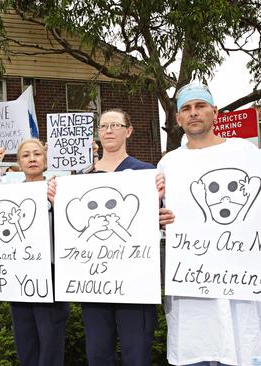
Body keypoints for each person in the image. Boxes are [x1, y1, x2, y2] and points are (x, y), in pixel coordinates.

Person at [158, 82, 261, 366]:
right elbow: (158, 217)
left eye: (200, 106)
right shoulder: (170, 164)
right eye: (186, 109)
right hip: (193, 287)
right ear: (178, 119)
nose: (194, 113)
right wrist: (159, 218)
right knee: (196, 351)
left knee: (241, 349)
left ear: (215, 112)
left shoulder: (246, 153)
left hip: (242, 288)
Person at [78, 109, 156, 366]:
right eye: (103, 126)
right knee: (98, 352)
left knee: (137, 352)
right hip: (95, 279)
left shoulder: (147, 173)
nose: (108, 130)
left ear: (128, 130)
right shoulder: (81, 179)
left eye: (115, 125)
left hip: (135, 278)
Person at [11, 138, 70, 366]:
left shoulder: (60, 190)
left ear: (45, 160)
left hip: (52, 272)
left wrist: (57, 203)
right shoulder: (8, 194)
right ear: (18, 162)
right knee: (25, 338)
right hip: (19, 275)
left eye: (37, 154)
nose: (32, 158)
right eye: (26, 155)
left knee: (51, 336)